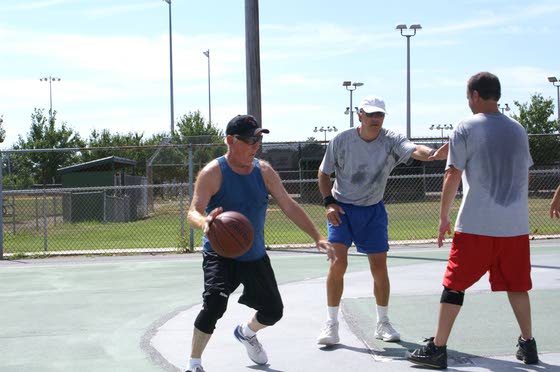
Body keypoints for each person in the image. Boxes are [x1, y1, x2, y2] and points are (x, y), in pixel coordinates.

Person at [407, 72, 539, 369]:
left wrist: (443, 216)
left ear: (476, 96)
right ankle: (528, 344)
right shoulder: (518, 130)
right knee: (517, 285)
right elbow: (524, 175)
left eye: (468, 96)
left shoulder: (465, 127)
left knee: (454, 285)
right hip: (515, 227)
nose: (468, 101)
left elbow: (451, 173)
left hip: (477, 225)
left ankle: (437, 348)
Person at [185, 114, 333, 372]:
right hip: (220, 254)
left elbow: (289, 205)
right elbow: (193, 211)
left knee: (274, 311)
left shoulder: (263, 171)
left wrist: (317, 236)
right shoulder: (213, 172)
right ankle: (194, 364)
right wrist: (205, 223)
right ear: (231, 140)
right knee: (214, 304)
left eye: (259, 139)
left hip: (253, 254)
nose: (256, 145)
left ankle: (246, 332)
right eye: (250, 139)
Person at [316, 95, 447, 346]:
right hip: (341, 209)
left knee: (379, 268)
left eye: (380, 115)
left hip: (373, 210)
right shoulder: (341, 140)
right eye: (371, 114)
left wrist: (433, 154)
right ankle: (332, 324)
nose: (376, 119)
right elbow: (323, 173)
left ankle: (382, 322)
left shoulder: (391, 139)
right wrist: (328, 203)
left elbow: (414, 149)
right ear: (360, 115)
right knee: (338, 263)